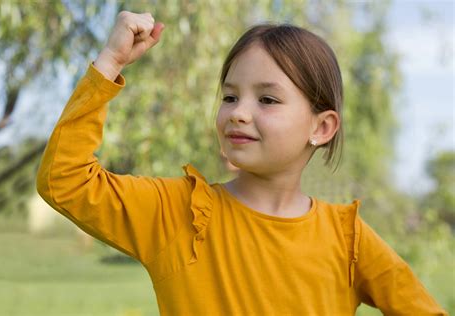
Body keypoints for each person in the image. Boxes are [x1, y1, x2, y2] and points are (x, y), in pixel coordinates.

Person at [36, 11, 447, 315]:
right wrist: (110, 62)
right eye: (230, 96)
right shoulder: (176, 214)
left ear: (322, 127)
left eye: (267, 99)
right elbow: (64, 178)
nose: (238, 112)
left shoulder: (349, 240)